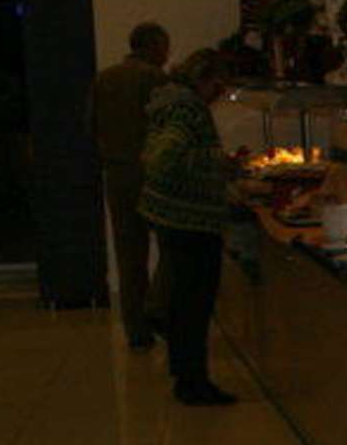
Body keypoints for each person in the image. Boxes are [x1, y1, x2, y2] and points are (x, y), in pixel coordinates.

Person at [139, 50, 238, 405]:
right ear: (203, 78)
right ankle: (193, 382)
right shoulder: (187, 109)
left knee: (183, 303)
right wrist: (216, 162)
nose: (219, 94)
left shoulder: (170, 101)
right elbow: (163, 157)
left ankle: (186, 376)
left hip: (171, 217)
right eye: (217, 86)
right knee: (194, 305)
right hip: (190, 221)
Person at [90, 22, 172, 347]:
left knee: (129, 256)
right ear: (154, 46)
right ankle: (161, 311)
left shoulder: (104, 79)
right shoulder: (156, 80)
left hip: (117, 174)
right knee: (171, 246)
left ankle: (136, 330)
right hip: (152, 173)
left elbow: (90, 125)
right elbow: (168, 127)